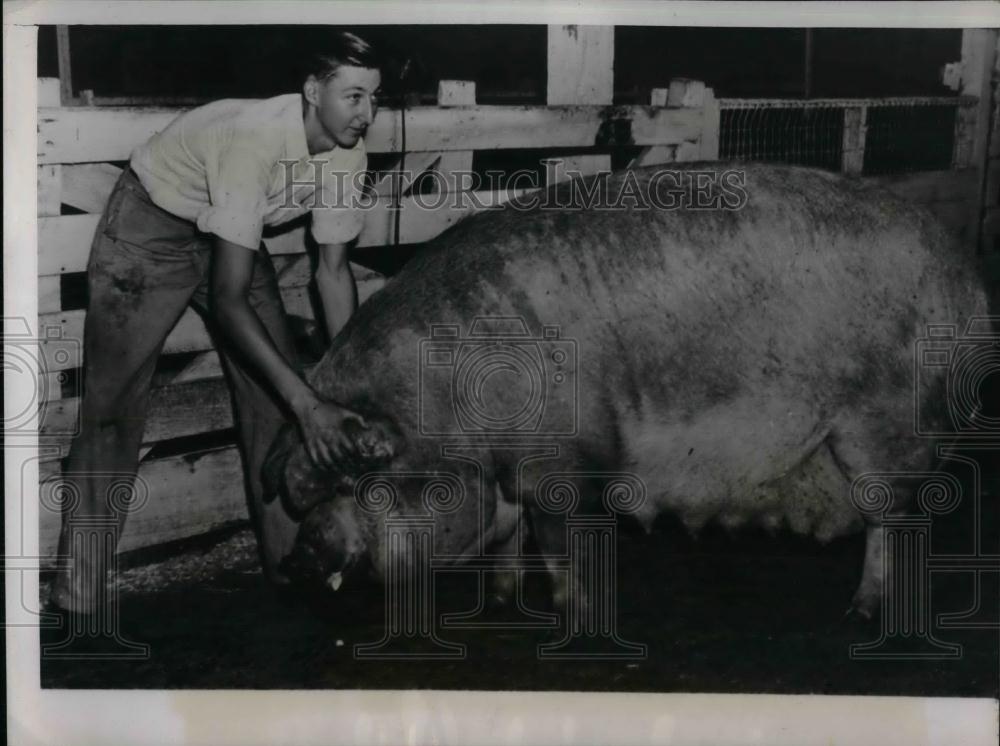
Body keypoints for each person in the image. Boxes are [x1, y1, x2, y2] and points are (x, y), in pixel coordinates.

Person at [48, 32, 382, 622]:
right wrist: (310, 403)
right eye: (353, 97)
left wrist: (355, 387)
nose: (367, 114)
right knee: (112, 406)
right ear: (312, 91)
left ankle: (296, 570)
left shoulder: (346, 153)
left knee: (276, 402)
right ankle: (80, 601)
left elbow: (332, 273)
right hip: (152, 230)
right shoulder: (255, 139)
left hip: (233, 237)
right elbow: (229, 303)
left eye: (374, 99)